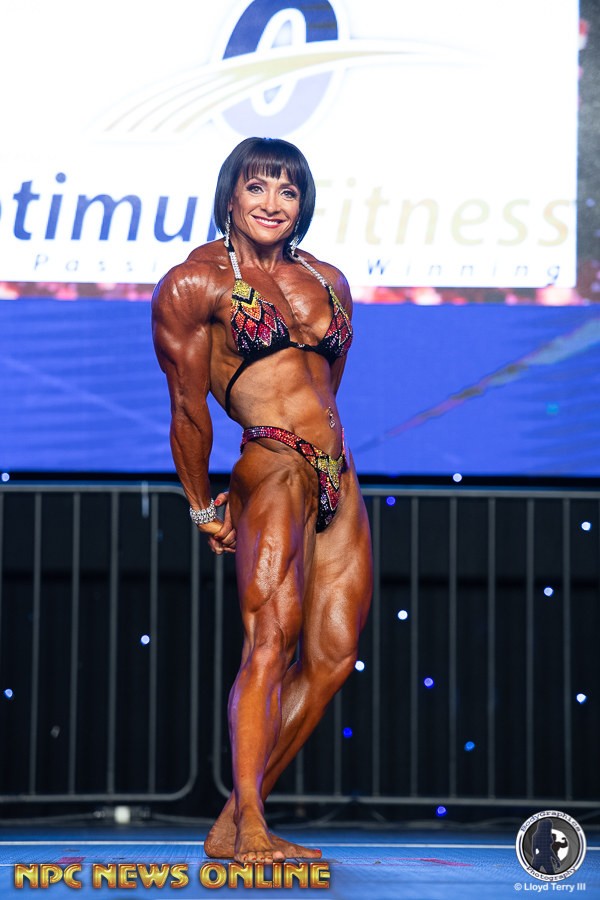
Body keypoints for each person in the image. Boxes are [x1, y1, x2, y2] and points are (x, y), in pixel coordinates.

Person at [152, 137, 372, 864]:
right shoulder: (194, 283)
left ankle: (235, 820)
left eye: (288, 190)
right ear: (230, 196)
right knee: (270, 643)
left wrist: (324, 456)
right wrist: (202, 505)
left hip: (337, 472)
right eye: (258, 187)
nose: (273, 203)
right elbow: (188, 410)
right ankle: (250, 825)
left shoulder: (330, 281)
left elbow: (326, 382)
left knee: (335, 656)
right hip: (271, 466)